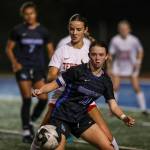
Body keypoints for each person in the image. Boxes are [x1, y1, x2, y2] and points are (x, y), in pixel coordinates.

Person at [32, 41, 135, 150]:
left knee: (109, 148)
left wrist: (123, 117)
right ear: (89, 55)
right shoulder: (77, 71)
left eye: (101, 55)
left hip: (81, 117)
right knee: (58, 147)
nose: (97, 58)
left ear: (106, 57)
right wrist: (41, 90)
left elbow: (113, 106)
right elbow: (55, 84)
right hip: (61, 116)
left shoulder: (106, 81)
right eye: (94, 54)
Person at [42, 14, 116, 146]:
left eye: (78, 29)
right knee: (44, 132)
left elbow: (102, 68)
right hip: (62, 98)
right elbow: (50, 76)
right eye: (72, 29)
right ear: (68, 29)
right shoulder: (62, 49)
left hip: (85, 98)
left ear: (85, 30)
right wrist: (69, 75)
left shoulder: (91, 49)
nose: (74, 32)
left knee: (108, 136)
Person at [6, 2, 54, 143]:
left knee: (43, 99)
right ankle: (26, 130)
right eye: (26, 14)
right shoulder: (17, 30)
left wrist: (53, 67)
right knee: (27, 99)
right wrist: (15, 63)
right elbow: (9, 48)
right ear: (23, 15)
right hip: (24, 68)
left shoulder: (44, 31)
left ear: (35, 14)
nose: (29, 16)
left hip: (39, 69)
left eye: (31, 13)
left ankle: (31, 120)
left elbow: (51, 51)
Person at [109, 20, 148, 115]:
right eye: (121, 29)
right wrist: (109, 67)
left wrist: (138, 62)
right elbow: (110, 54)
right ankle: (113, 109)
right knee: (115, 87)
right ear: (119, 30)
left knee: (136, 87)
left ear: (129, 29)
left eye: (125, 29)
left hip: (131, 66)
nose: (123, 31)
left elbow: (140, 51)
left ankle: (143, 109)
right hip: (118, 66)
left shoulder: (134, 40)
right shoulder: (115, 40)